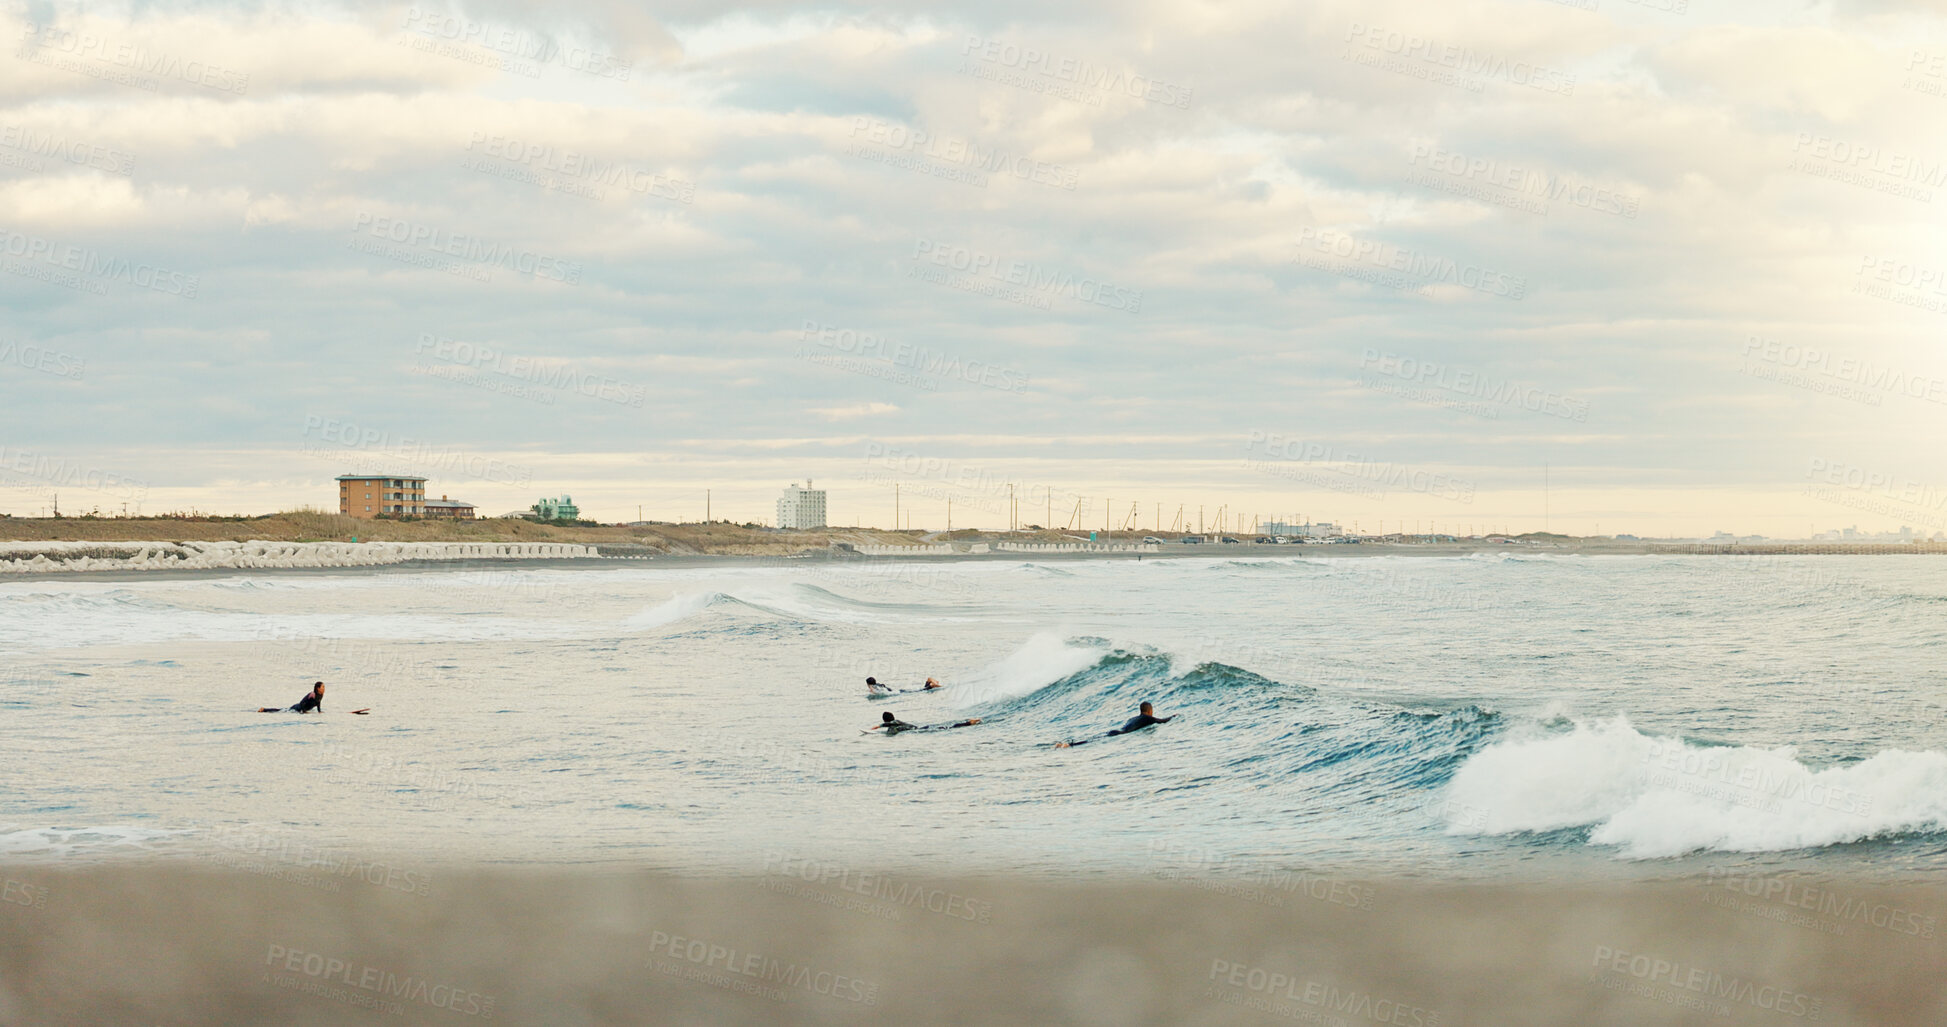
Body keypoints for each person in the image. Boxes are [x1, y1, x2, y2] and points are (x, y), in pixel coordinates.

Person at [1053, 701, 1172, 747]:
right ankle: (1069, 745)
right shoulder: (1148, 718)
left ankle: (1068, 744)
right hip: (1118, 734)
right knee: (1093, 741)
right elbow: (1162, 721)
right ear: (1150, 710)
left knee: (1093, 740)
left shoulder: (1133, 718)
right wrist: (1174, 716)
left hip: (1115, 731)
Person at [867, 711, 981, 734]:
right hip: (921, 729)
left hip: (921, 729)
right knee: (947, 727)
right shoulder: (892, 727)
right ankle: (968, 722)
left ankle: (969, 723)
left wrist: (877, 727)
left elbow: (889, 724)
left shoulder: (895, 722)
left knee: (948, 728)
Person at [261, 682, 325, 714]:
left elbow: (318, 702)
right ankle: (264, 710)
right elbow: (302, 702)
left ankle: (264, 710)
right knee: (280, 711)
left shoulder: (321, 695)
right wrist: (304, 711)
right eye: (323, 687)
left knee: (281, 710)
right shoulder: (312, 694)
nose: (324, 688)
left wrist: (319, 711)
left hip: (301, 709)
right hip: (297, 708)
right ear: (318, 688)